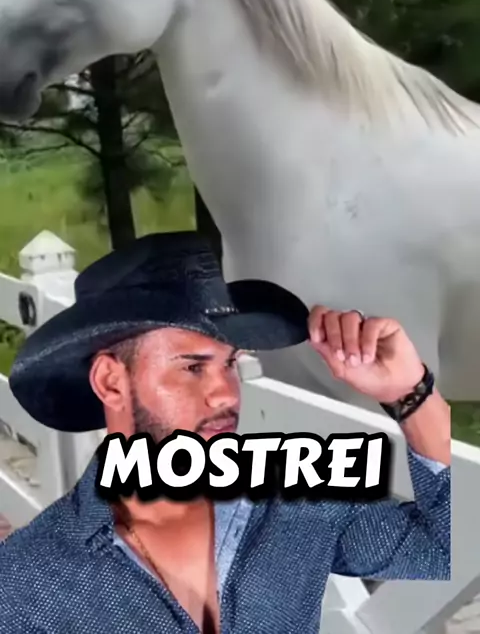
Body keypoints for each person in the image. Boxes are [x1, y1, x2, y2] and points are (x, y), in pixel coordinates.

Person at [0, 232, 450, 634]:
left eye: (231, 363)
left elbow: (446, 547)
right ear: (110, 382)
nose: (226, 394)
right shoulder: (28, 580)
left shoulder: (298, 505)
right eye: (192, 367)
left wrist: (411, 394)